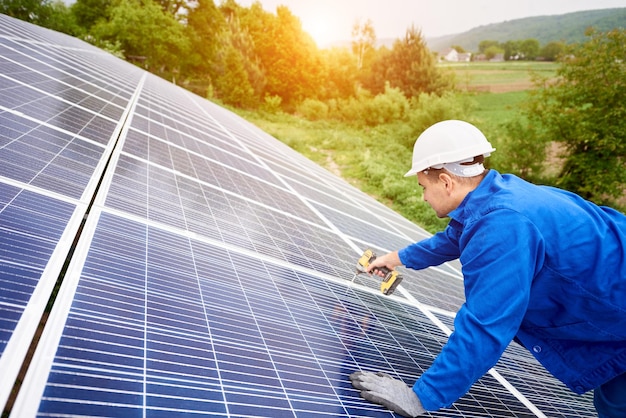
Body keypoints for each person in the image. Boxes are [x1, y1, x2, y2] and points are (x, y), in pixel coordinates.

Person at [349, 120, 626, 417]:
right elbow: (456, 236)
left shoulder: (501, 227)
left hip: (615, 315)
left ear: (445, 181)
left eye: (423, 187)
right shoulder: (497, 195)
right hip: (612, 313)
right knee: (613, 402)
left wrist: (421, 397)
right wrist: (396, 258)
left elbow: (487, 323)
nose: (424, 197)